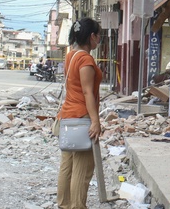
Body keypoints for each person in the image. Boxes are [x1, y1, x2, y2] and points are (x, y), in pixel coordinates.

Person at [57, 17, 102, 209]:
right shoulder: (85, 59)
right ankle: (76, 206)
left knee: (67, 165)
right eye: (98, 36)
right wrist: (95, 121)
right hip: (81, 118)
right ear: (92, 36)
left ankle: (64, 204)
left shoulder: (71, 55)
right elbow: (87, 93)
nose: (99, 40)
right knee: (82, 169)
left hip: (67, 116)